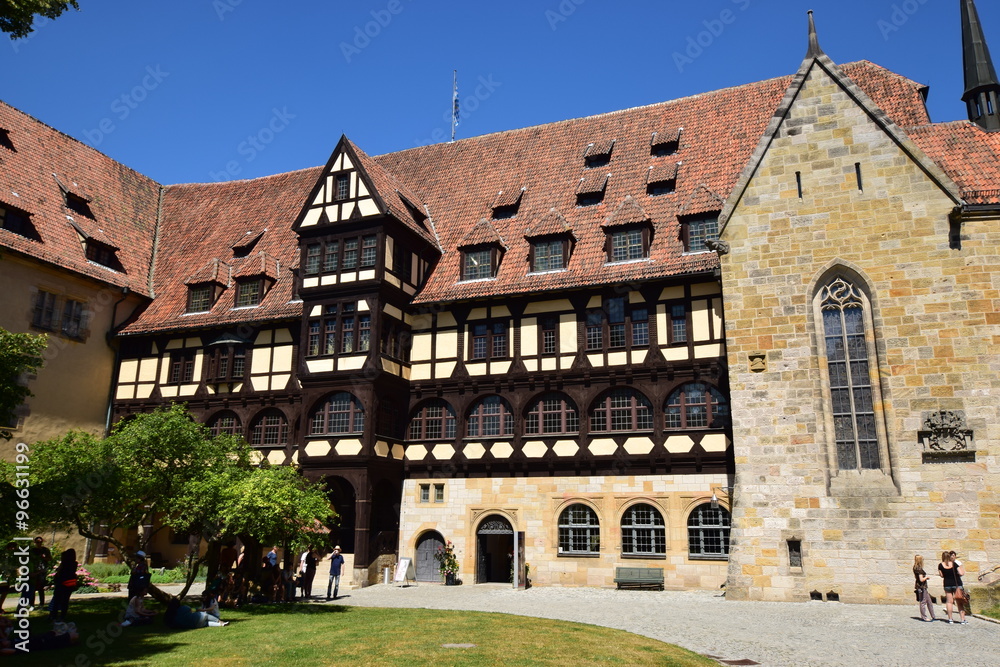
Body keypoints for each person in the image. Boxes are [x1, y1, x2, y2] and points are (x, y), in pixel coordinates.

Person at [937, 550, 967, 624]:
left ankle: (950, 619)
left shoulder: (940, 565)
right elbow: (961, 573)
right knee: (959, 602)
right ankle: (963, 620)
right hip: (957, 584)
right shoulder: (954, 564)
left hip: (947, 584)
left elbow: (941, 575)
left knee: (949, 602)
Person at [50, 548, 78, 622]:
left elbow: (60, 573)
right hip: (69, 584)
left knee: (57, 600)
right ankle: (62, 615)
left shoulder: (64, 564)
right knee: (65, 601)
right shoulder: (74, 564)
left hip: (61, 583)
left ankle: (54, 615)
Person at [29, 536, 52, 607]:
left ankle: (41, 603)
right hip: (34, 570)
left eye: (40, 542)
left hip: (42, 571)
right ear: (35, 542)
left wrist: (44, 558)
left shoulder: (45, 550)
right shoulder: (32, 550)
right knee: (32, 587)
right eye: (38, 542)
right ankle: (31, 604)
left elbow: (50, 559)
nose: (39, 543)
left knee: (40, 588)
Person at [912, 555, 935, 622]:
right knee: (923, 602)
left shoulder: (915, 567)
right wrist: (926, 578)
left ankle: (933, 616)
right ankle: (924, 617)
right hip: (921, 587)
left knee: (929, 601)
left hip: (922, 587)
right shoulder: (919, 569)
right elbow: (921, 579)